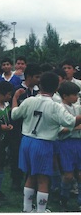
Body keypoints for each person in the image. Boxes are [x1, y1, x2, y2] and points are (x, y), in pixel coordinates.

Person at [11, 72, 81, 213]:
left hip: (26, 141)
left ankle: (27, 208)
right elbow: (72, 122)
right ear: (56, 88)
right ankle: (41, 210)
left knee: (31, 174)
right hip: (43, 143)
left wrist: (15, 97)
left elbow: (14, 114)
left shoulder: (30, 100)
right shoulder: (55, 106)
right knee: (44, 179)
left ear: (40, 85)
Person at [8, 63, 42, 192]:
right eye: (37, 77)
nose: (39, 80)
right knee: (16, 154)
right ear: (29, 76)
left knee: (31, 156)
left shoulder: (39, 92)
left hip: (34, 129)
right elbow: (12, 111)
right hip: (18, 129)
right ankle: (16, 180)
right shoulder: (16, 90)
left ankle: (30, 180)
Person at [57, 81, 81, 211]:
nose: (76, 97)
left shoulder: (77, 107)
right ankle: (63, 197)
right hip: (66, 143)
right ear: (65, 96)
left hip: (78, 143)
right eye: (74, 95)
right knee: (68, 175)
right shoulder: (59, 108)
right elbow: (60, 130)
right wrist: (76, 127)